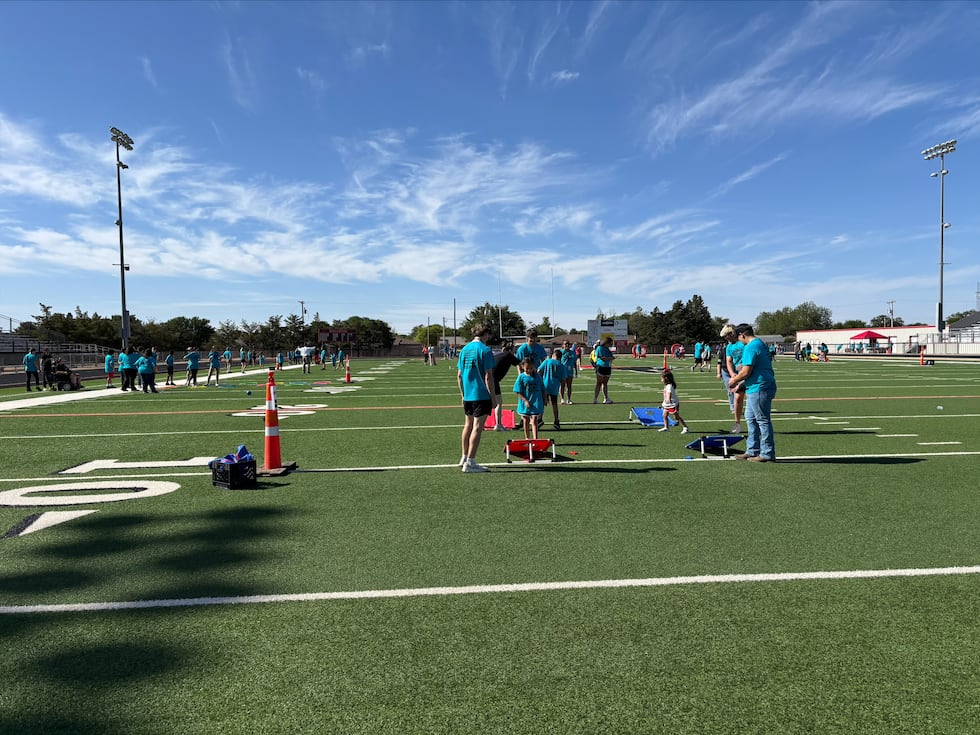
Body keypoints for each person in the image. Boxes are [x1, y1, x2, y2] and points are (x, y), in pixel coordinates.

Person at [728, 323, 777, 462]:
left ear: (742, 335)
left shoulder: (751, 346)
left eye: (739, 338)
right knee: (750, 418)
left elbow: (746, 371)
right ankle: (752, 450)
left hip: (759, 387)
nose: (739, 341)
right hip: (756, 386)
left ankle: (767, 453)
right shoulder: (760, 343)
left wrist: (734, 381)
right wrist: (742, 384)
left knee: (762, 420)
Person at [457, 322, 495, 473]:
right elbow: (488, 376)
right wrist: (492, 396)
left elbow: (459, 375)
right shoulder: (485, 350)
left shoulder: (464, 349)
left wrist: (462, 394)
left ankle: (464, 456)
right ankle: (470, 462)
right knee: (478, 428)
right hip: (480, 394)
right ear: (485, 334)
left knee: (468, 425)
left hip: (468, 394)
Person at [490, 341, 520, 431]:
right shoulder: (508, 355)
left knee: (487, 403)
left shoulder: (498, 355)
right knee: (498, 403)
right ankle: (498, 424)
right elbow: (521, 364)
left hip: (486, 379)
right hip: (493, 380)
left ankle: (480, 424)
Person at [513, 356, 545, 440]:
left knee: (534, 420)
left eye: (531, 368)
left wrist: (545, 398)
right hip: (525, 403)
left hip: (536, 402)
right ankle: (527, 438)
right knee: (526, 420)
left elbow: (542, 388)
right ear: (523, 367)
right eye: (527, 368)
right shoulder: (521, 377)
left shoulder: (537, 376)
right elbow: (517, 391)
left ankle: (535, 439)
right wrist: (525, 401)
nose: (529, 370)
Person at [538, 349, 566, 431]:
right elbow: (563, 379)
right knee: (554, 404)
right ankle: (556, 421)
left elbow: (539, 370)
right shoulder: (561, 365)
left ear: (554, 355)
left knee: (542, 403)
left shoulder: (547, 361)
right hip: (555, 386)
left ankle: (540, 419)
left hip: (545, 385)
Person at [658, 369, 690, 434]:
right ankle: (666, 427)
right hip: (667, 404)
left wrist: (668, 400)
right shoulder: (667, 386)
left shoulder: (669, 386)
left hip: (672, 404)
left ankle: (685, 427)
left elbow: (669, 393)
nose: (661, 380)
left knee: (676, 417)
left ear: (666, 378)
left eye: (662, 378)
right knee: (664, 415)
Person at [592, 337, 616, 404]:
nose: (611, 344)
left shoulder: (607, 349)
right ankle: (595, 398)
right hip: (601, 367)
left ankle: (606, 398)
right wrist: (610, 358)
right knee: (599, 383)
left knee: (605, 383)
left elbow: (611, 357)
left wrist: (610, 358)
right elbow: (602, 358)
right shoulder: (599, 348)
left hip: (607, 367)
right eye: (610, 343)